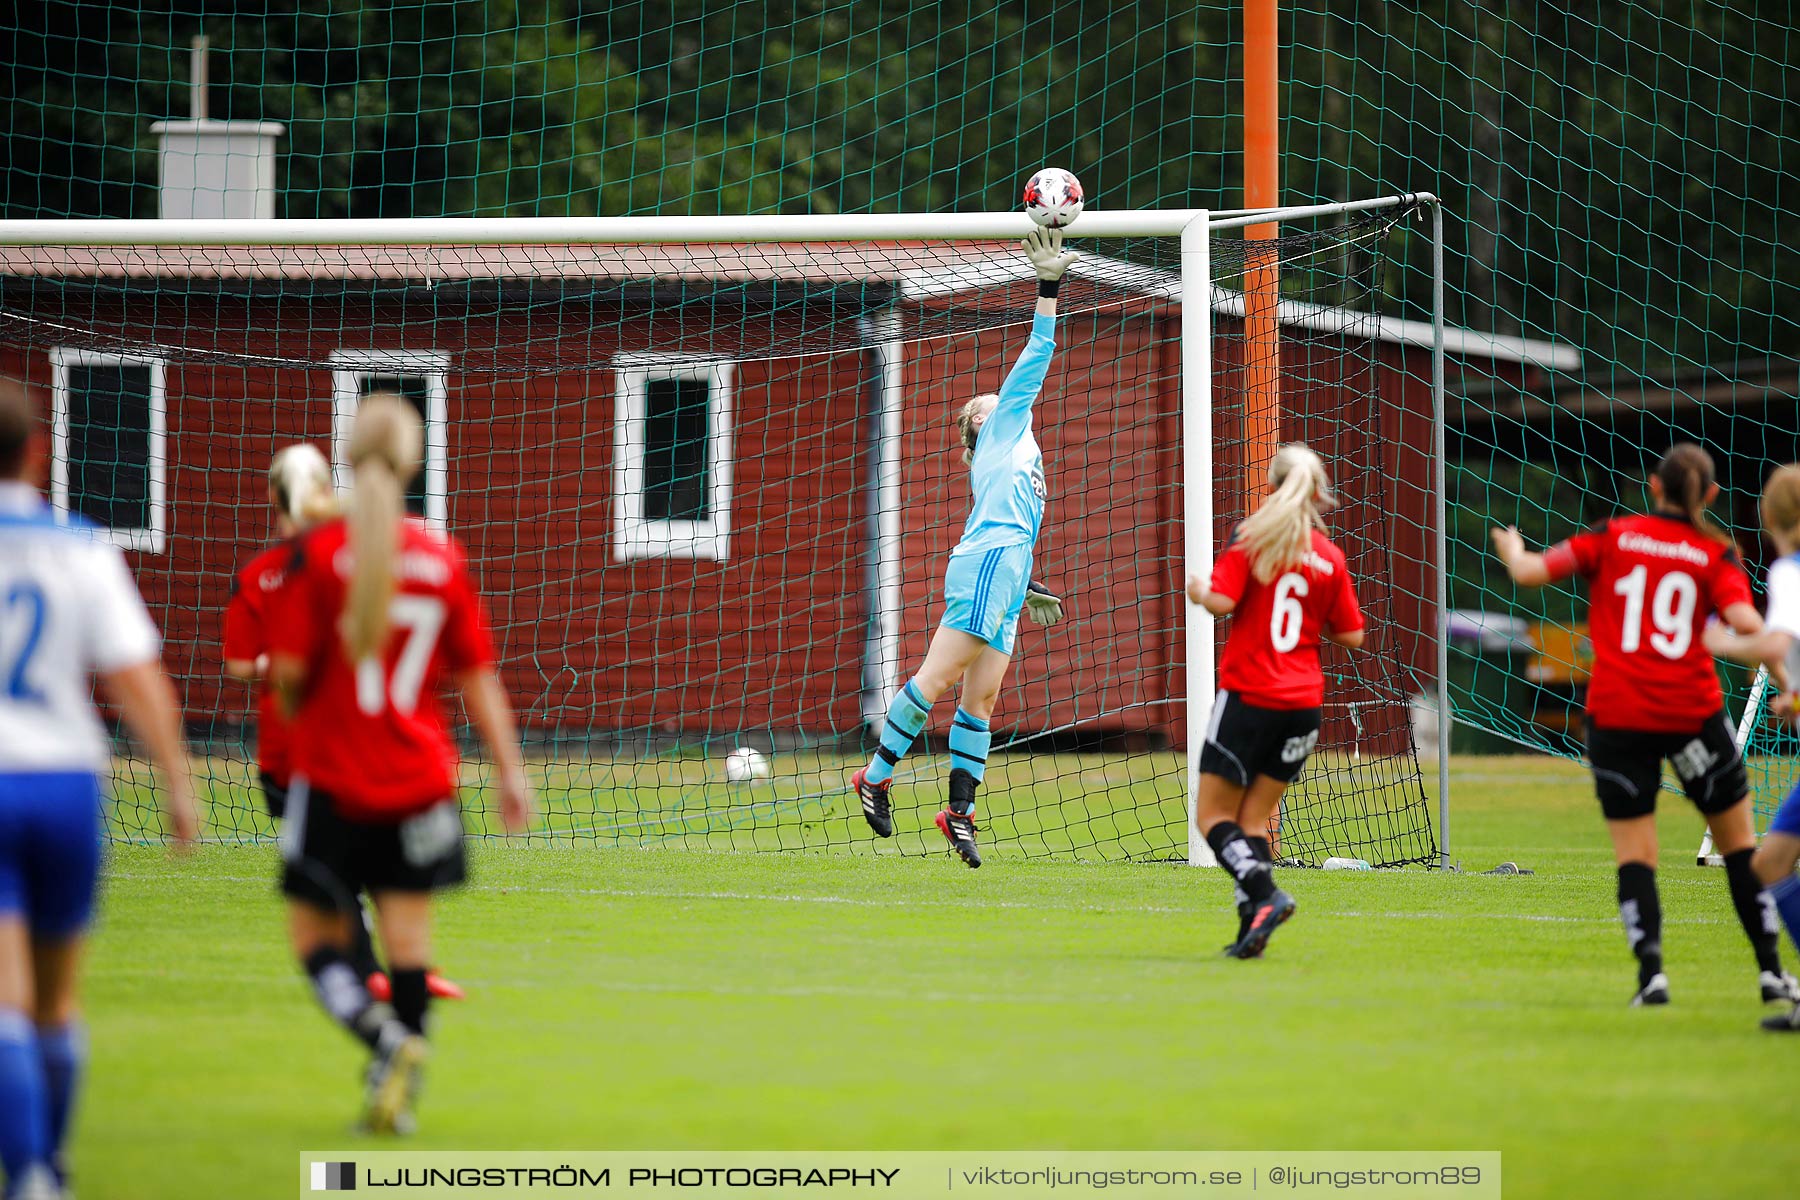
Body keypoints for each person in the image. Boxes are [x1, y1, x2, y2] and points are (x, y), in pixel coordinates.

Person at [268, 395, 532, 1133]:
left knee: (315, 942)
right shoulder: (441, 558)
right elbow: (478, 677)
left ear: (347, 457)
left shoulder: (316, 556)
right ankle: (400, 1097)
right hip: (420, 782)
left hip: (334, 776)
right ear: (414, 461)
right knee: (410, 947)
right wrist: (511, 771)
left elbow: (287, 676)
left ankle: (381, 1036)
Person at [1492, 443, 1798, 1008]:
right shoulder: (1714, 553)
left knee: (1636, 854)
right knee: (1737, 847)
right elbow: (1748, 623)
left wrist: (1513, 548)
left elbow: (1529, 572)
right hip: (1690, 715)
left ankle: (1651, 976)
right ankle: (1771, 974)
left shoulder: (1612, 536)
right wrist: (1788, 679)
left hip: (1618, 716)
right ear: (1709, 495)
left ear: (1654, 487)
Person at [0, 381, 197, 1200]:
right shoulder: (80, 546)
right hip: (69, 787)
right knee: (57, 998)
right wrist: (177, 781)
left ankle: (31, 1175)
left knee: (5, 1004)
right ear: (39, 452)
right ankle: (54, 1163)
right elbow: (133, 677)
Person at [850, 227, 1075, 868]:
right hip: (987, 568)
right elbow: (1039, 346)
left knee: (979, 702)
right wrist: (1049, 284)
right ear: (980, 427)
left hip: (1006, 572)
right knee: (937, 679)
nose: (991, 402)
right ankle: (875, 775)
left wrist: (1025, 586)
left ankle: (959, 812)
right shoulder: (1004, 425)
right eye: (981, 408)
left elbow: (1011, 523)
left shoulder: (1018, 447)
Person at [223, 445, 463, 1004]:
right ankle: (375, 976)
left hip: (343, 747)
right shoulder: (269, 575)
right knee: (339, 886)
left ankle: (384, 974)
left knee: (362, 874)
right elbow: (243, 664)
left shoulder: (337, 562)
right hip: (295, 755)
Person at [1184, 444, 1365, 958]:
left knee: (1212, 817)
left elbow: (1221, 603)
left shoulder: (1254, 537)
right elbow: (1352, 635)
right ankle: (1252, 931)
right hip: (1303, 704)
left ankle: (1265, 895)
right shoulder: (1329, 557)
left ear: (1271, 485)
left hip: (1250, 696)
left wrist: (1199, 590)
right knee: (1255, 821)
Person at [1699, 463, 1800, 1031]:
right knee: (1772, 863)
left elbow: (1777, 641)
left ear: (1770, 517)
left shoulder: (1787, 570)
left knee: (1771, 865)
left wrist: (1718, 638)